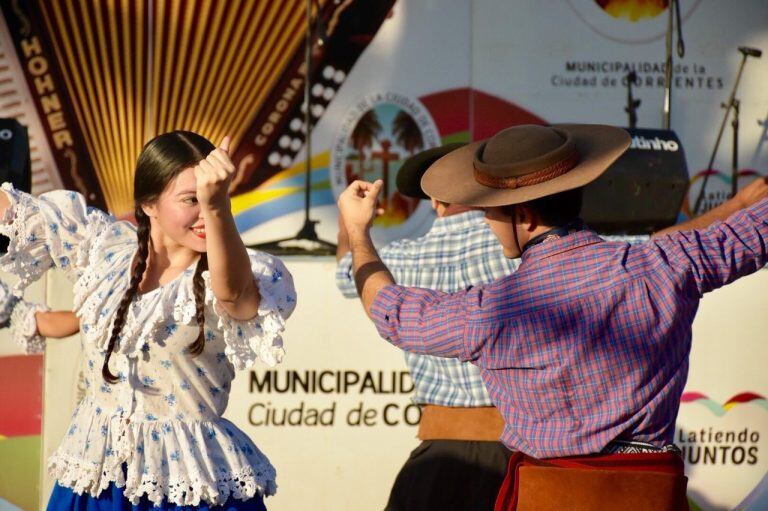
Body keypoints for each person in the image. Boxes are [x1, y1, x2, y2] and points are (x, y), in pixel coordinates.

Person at [336, 124, 768, 510]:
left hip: (546, 494)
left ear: (523, 216)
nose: (486, 220)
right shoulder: (666, 263)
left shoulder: (489, 312)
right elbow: (751, 233)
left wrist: (356, 231)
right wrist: (744, 202)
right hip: (648, 495)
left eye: (490, 210)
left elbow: (389, 310)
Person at [0, 131, 296, 510]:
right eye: (192, 199)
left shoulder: (234, 270)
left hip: (188, 490)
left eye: (214, 197)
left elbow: (236, 296)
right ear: (149, 204)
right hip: (99, 482)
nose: (206, 212)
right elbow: (17, 212)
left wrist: (217, 204)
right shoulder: (103, 247)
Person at [337, 145, 516, 511]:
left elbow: (346, 272)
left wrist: (353, 225)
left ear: (435, 200)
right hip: (519, 456)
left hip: (437, 460)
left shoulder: (400, 257)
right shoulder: (522, 248)